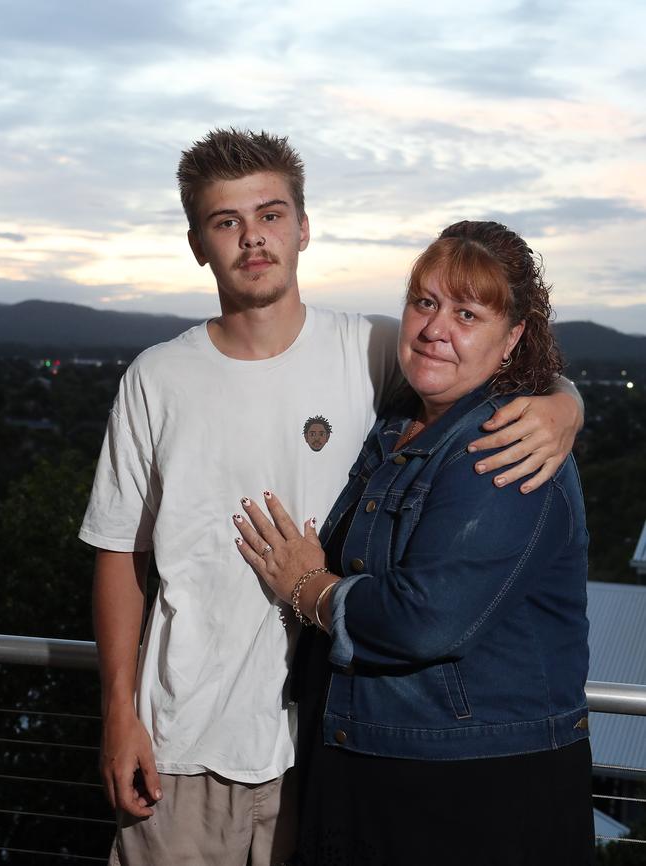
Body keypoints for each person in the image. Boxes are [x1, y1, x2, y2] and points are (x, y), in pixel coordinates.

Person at [79, 126, 584, 866]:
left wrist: (561, 402)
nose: (253, 238)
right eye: (227, 222)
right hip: (180, 745)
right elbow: (120, 553)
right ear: (198, 244)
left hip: (315, 744)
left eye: (272, 215)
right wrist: (118, 715)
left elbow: (486, 363)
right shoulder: (155, 379)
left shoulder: (372, 347)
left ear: (304, 227)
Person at [235, 220, 594, 866]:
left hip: (472, 796)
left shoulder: (505, 444)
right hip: (373, 766)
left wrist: (308, 589)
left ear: (513, 338)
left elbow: (423, 617)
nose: (435, 328)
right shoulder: (398, 420)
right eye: (424, 302)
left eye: (467, 313)